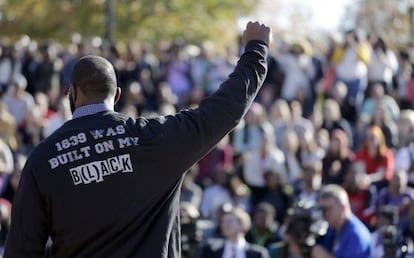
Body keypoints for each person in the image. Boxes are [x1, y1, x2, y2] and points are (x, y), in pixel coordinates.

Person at [4, 21, 272, 257]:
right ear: (117, 95)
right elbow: (223, 110)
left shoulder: (43, 159)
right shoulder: (155, 138)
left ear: (71, 94)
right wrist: (256, 50)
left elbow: (22, 250)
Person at [311, 184, 372, 258]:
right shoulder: (332, 228)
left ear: (343, 208)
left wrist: (323, 255)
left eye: (328, 209)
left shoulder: (355, 235)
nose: (324, 213)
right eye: (322, 209)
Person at [201, 207, 270, 258]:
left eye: (230, 221)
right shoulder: (210, 249)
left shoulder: (258, 254)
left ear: (243, 225)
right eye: (223, 222)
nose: (225, 225)